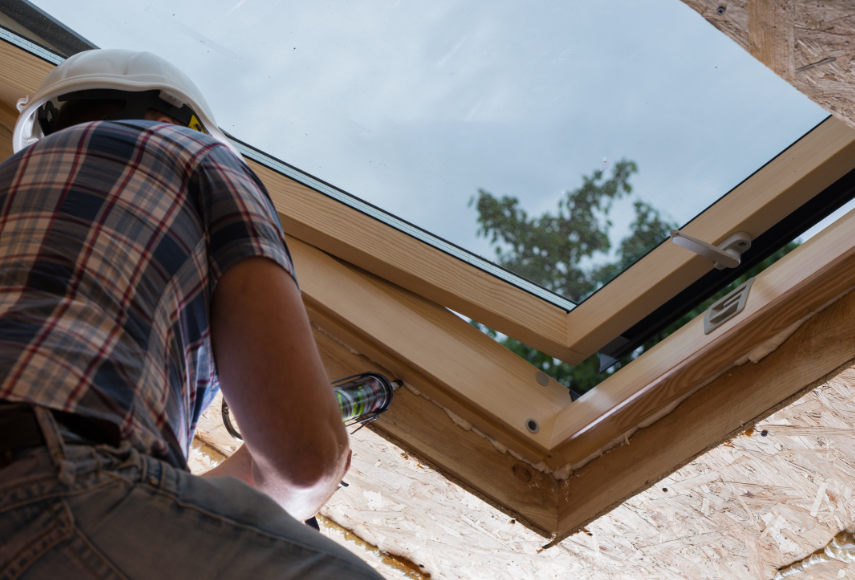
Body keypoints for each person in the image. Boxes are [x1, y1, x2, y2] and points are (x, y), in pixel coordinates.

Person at [0, 49, 382, 579]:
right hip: (48, 477)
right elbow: (304, 464)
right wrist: (295, 503)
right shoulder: (199, 156)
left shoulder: (8, 181)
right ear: (171, 119)